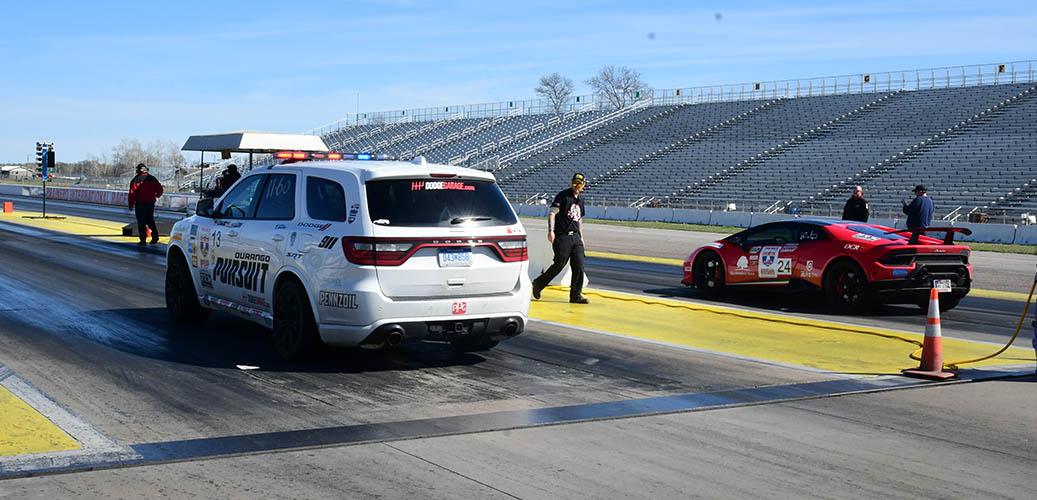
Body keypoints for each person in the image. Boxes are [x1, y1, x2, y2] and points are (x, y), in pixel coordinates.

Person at [532, 172, 590, 304]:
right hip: (562, 236)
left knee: (579, 266)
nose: (577, 186)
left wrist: (581, 237)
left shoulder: (581, 200)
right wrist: (550, 231)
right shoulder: (563, 196)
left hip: (575, 237)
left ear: (583, 185)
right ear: (571, 183)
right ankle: (539, 283)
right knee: (559, 264)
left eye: (579, 184)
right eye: (575, 183)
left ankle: (576, 295)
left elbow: (579, 219)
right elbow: (552, 213)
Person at [128, 163, 164, 246]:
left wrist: (130, 204)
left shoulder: (135, 180)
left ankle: (143, 240)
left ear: (138, 170)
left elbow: (132, 193)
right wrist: (157, 195)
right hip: (150, 203)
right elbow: (160, 190)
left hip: (140, 203)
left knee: (141, 222)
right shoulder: (152, 179)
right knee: (150, 220)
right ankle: (155, 237)